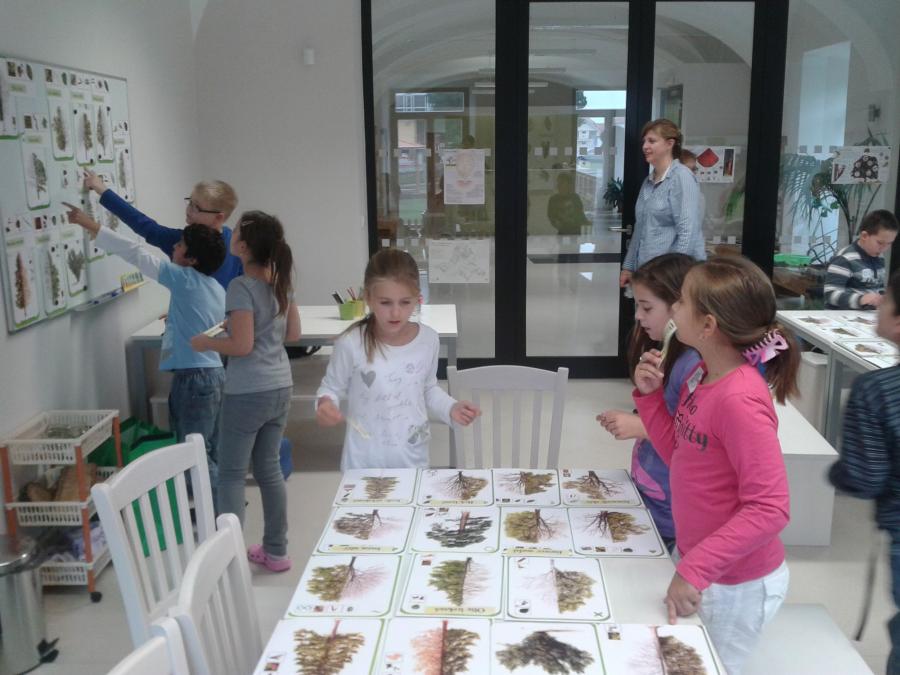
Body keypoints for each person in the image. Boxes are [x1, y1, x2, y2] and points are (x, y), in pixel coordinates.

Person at [632, 255, 795, 674]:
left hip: (734, 582)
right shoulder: (701, 375)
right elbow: (680, 456)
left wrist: (694, 570)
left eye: (682, 301)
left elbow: (770, 508)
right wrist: (650, 399)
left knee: (711, 666)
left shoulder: (740, 400)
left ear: (707, 325)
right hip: (701, 561)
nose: (674, 307)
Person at [63, 202, 226, 491]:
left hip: (194, 379)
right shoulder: (213, 286)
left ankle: (218, 513)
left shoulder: (183, 279)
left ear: (191, 259)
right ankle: (221, 508)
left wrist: (91, 225)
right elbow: (207, 320)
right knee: (208, 450)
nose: (174, 247)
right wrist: (175, 318)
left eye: (180, 245)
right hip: (212, 375)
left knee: (193, 456)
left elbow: (136, 254)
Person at [190, 211, 300, 572]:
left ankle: (231, 558)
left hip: (248, 391)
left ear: (243, 246)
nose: (229, 235)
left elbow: (242, 346)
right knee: (269, 470)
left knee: (231, 474)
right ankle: (276, 551)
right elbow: (292, 334)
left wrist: (207, 342)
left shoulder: (240, 286)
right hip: (280, 385)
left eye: (234, 231)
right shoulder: (279, 281)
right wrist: (237, 328)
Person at [315, 248, 480, 470]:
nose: (395, 313)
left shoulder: (428, 340)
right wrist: (325, 404)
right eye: (385, 303)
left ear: (418, 299)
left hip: (412, 460)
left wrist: (451, 407)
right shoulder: (351, 343)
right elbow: (330, 388)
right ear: (368, 298)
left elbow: (428, 388)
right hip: (363, 464)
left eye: (405, 302)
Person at [597, 253, 700, 552]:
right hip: (653, 493)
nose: (639, 317)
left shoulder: (695, 364)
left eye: (647, 307)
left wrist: (640, 426)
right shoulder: (671, 355)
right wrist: (648, 394)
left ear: (680, 306)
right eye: (638, 307)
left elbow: (695, 439)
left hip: (673, 507)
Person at [828, 269, 900, 674]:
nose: (879, 303)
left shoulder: (877, 389)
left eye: (886, 298)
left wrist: (833, 473)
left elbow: (864, 477)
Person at [84, 170, 242, 289]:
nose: (189, 210)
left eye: (196, 207)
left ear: (218, 218)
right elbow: (146, 226)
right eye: (190, 202)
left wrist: (103, 190)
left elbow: (145, 227)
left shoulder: (187, 243)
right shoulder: (189, 239)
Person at [620, 118, 704, 288]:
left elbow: (688, 231)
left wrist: (674, 273)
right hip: (647, 271)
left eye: (652, 141)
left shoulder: (682, 177)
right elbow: (640, 228)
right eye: (644, 141)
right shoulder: (648, 181)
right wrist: (628, 267)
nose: (645, 146)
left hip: (671, 276)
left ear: (669, 144)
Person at [824, 209, 899, 309]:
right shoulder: (845, 258)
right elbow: (830, 294)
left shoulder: (880, 257)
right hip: (841, 315)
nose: (884, 248)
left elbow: (878, 289)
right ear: (864, 236)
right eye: (880, 243)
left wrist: (884, 298)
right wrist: (861, 299)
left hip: (867, 315)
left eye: (889, 243)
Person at [679, 149, 708, 261]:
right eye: (687, 170)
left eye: (693, 170)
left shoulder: (697, 196)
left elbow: (691, 230)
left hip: (684, 260)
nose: (691, 174)